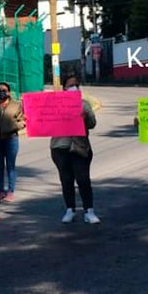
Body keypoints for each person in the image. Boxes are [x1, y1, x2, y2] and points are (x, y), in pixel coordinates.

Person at [51, 75, 99, 224]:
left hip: (80, 147)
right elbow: (44, 122)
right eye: (71, 85)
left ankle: (89, 210)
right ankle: (70, 209)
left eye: (76, 85)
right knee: (66, 180)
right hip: (59, 147)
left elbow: (92, 124)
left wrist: (85, 117)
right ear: (64, 87)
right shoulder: (54, 105)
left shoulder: (84, 104)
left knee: (83, 179)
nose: (74, 87)